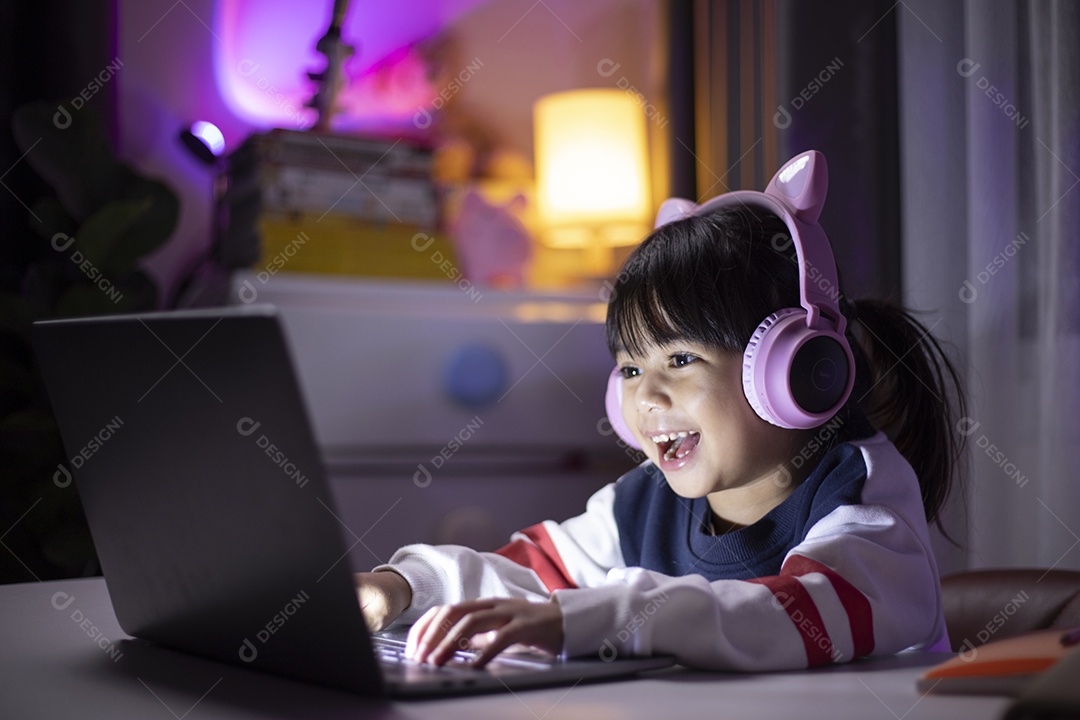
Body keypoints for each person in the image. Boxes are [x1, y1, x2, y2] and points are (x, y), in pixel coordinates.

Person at [354, 150, 966, 671]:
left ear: (790, 370)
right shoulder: (640, 503)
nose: (646, 397)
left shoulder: (862, 500)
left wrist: (601, 615)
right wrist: (402, 588)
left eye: (679, 360)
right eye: (628, 369)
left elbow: (791, 614)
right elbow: (529, 571)